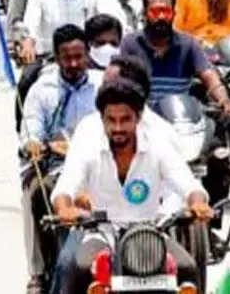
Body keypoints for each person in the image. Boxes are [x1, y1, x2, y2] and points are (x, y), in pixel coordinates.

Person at [49, 80, 212, 294]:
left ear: (139, 117)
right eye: (111, 120)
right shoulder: (90, 147)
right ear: (102, 119)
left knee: (188, 268)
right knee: (77, 269)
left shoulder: (158, 146)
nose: (117, 128)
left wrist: (197, 203)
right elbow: (66, 185)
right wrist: (64, 208)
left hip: (150, 233)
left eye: (125, 120)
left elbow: (188, 184)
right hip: (101, 233)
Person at [20, 26, 104, 292]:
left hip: (100, 164)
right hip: (55, 166)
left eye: (79, 56)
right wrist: (33, 143)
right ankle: (39, 271)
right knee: (36, 192)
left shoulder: (103, 84)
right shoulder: (41, 90)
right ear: (56, 58)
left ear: (88, 54)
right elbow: (31, 126)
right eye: (67, 58)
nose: (74, 63)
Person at [121, 0, 230, 111]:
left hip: (182, 121)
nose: (161, 17)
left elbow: (209, 76)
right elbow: (119, 83)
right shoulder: (130, 44)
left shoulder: (189, 45)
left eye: (166, 12)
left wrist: (224, 100)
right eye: (155, 12)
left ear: (174, 14)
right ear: (144, 14)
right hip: (143, 121)